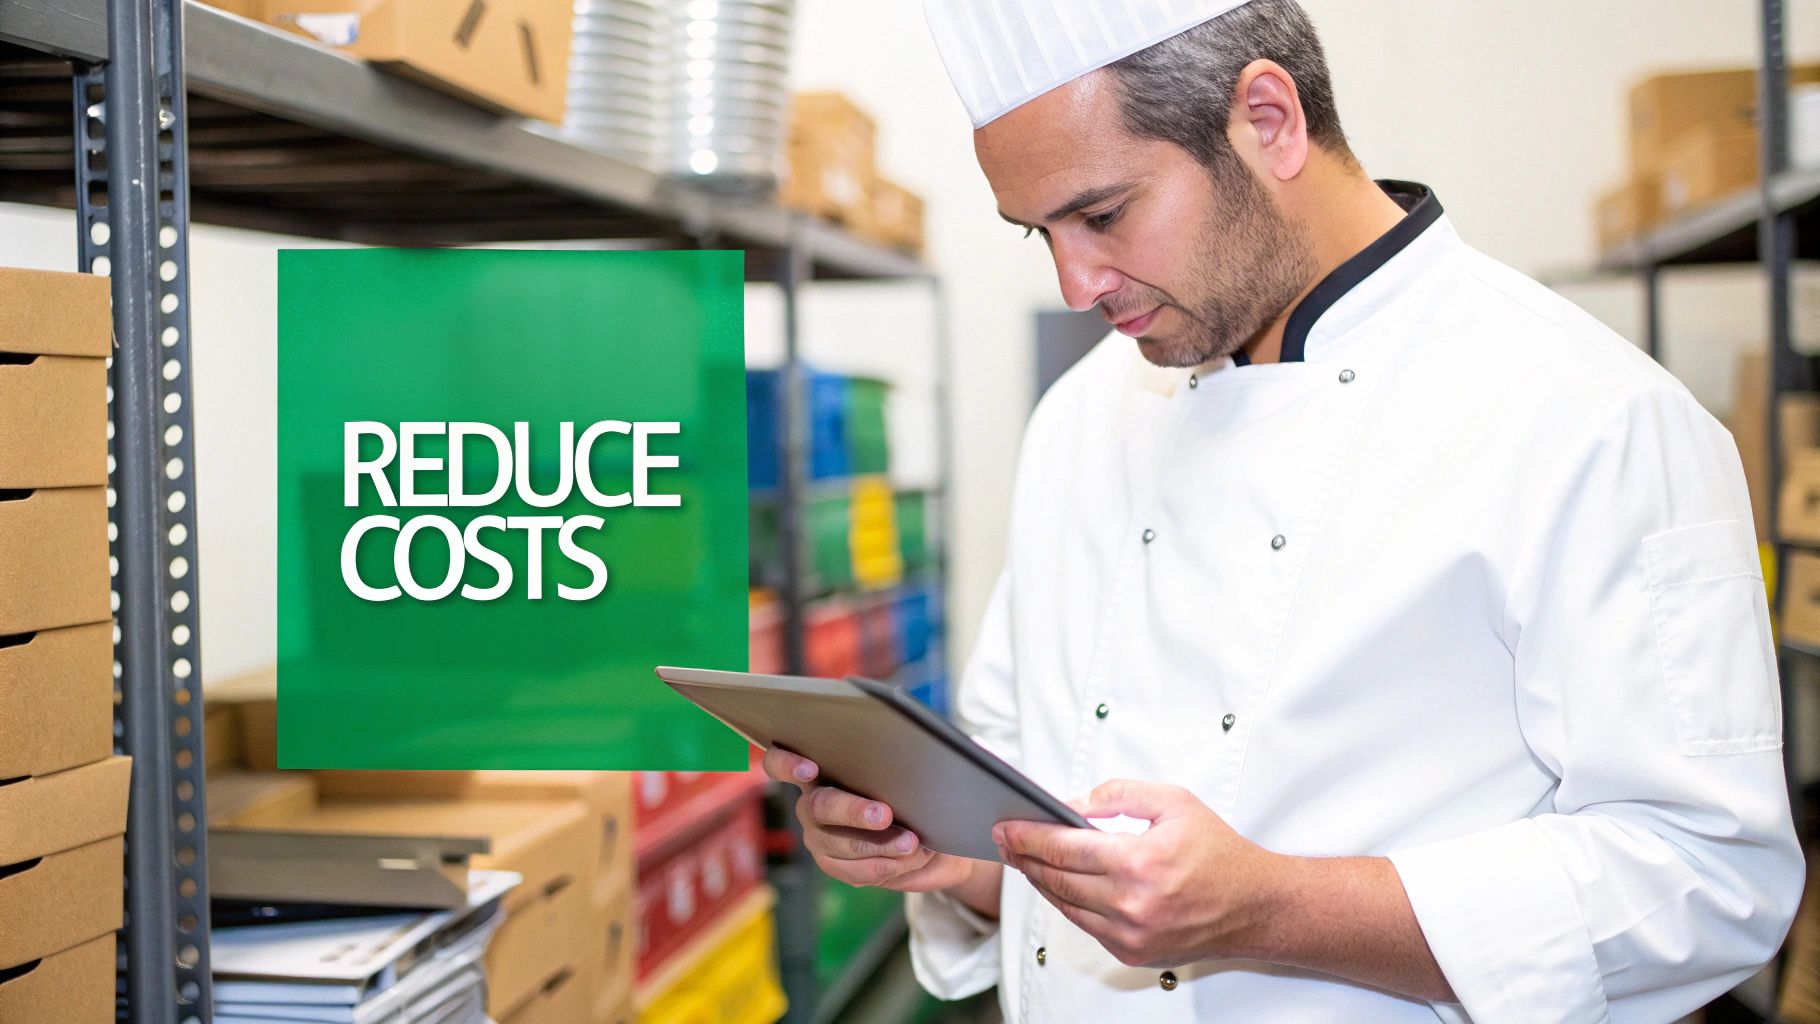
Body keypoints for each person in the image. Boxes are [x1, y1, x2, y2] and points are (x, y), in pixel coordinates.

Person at [761, 1, 1805, 1019]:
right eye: (1039, 234)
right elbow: (1033, 803)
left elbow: (1705, 877)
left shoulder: (1590, 418)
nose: (1076, 283)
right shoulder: (1080, 416)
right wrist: (956, 856)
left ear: (1267, 120)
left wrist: (1269, 907)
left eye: (1102, 213)